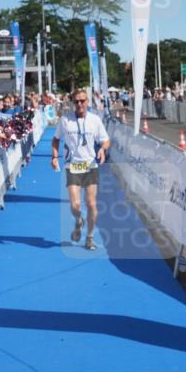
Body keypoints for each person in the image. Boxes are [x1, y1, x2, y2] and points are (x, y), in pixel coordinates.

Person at [51, 89, 110, 251]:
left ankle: (89, 238)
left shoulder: (95, 120)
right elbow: (55, 139)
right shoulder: (65, 120)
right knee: (75, 205)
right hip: (73, 166)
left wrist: (102, 149)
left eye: (82, 101)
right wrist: (54, 157)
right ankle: (78, 220)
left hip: (90, 166)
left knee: (91, 204)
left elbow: (106, 140)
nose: (79, 104)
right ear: (72, 102)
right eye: (76, 101)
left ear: (87, 102)